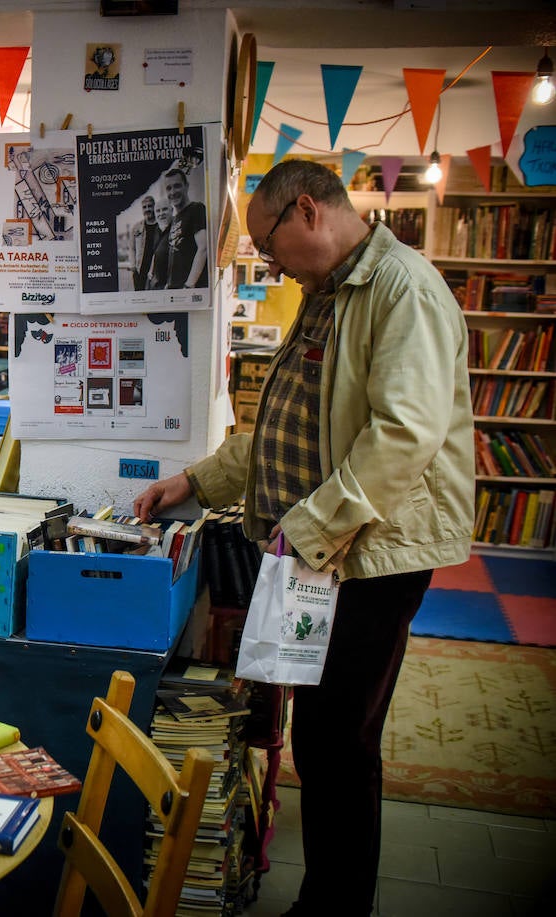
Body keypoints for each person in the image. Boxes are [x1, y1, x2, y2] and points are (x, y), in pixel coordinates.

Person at [134, 159, 473, 917]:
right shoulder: (328, 294)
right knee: (317, 734)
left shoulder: (402, 290)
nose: (267, 263)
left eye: (267, 245)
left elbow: (402, 436)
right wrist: (197, 480)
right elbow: (287, 422)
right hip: (320, 556)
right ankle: (328, 897)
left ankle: (337, 905)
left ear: (309, 212)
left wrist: (311, 526)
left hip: (367, 560)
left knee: (340, 739)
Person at [162, 168, 208, 289]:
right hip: (174, 289)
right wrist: (169, 283)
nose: (172, 192)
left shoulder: (196, 209)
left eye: (177, 186)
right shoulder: (175, 218)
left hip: (188, 289)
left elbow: (203, 248)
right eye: (168, 188)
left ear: (186, 186)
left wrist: (189, 285)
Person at [129, 195, 158, 291]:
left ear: (154, 207)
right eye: (144, 207)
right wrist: (133, 266)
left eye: (150, 206)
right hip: (140, 269)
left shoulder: (161, 225)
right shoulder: (136, 227)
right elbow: (132, 248)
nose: (147, 209)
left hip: (156, 270)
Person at [145, 199, 173, 291]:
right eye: (158, 211)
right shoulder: (157, 228)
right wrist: (150, 270)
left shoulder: (176, 227)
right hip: (156, 280)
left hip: (170, 283)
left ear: (171, 210)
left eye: (164, 209)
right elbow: (155, 252)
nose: (161, 214)